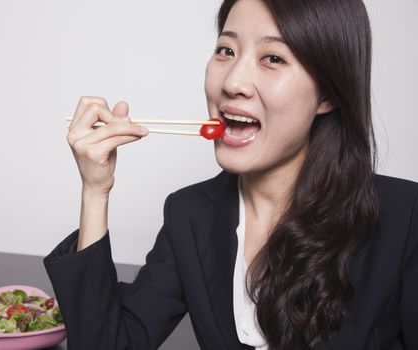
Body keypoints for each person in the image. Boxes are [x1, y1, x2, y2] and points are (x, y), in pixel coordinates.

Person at [44, 0, 418, 349]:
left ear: (327, 94)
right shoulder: (188, 215)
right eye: (226, 50)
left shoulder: (407, 218)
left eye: (272, 57)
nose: (233, 82)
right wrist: (95, 189)